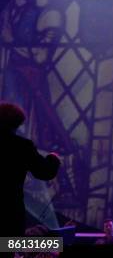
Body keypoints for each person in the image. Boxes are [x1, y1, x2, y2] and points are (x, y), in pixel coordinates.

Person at [0, 102, 61, 237]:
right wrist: (53, 159)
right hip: (11, 213)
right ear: (17, 123)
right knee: (7, 248)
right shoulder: (23, 146)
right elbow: (45, 172)